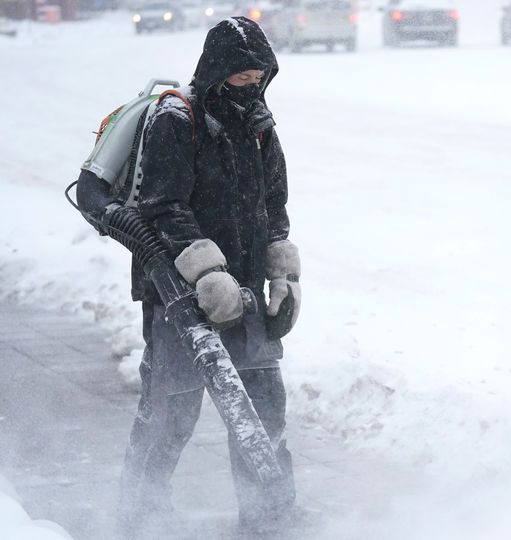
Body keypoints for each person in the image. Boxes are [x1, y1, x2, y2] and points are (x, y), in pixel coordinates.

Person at [116, 17, 301, 534]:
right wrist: (206, 271)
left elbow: (274, 202)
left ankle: (270, 520)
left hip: (245, 291)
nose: (249, 83)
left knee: (264, 409)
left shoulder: (260, 125)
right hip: (178, 294)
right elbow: (162, 206)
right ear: (217, 71)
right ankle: (139, 518)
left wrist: (281, 271)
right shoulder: (177, 120)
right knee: (171, 414)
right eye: (240, 75)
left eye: (257, 75)